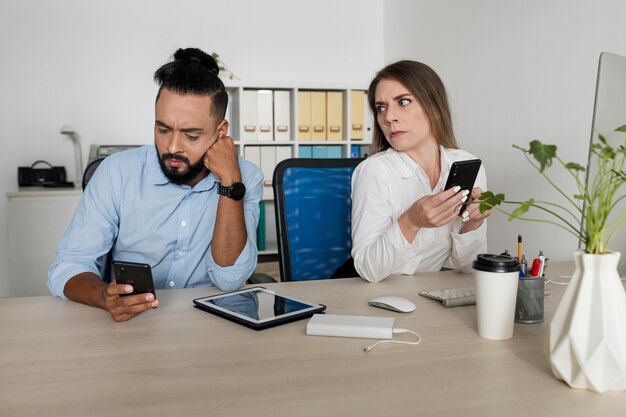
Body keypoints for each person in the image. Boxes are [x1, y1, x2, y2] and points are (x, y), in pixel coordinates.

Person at [48, 47, 263, 321]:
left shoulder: (246, 177)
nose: (172, 147)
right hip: (132, 325)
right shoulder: (117, 173)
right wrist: (102, 295)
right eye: (163, 129)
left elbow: (230, 280)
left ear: (221, 132)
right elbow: (67, 265)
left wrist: (230, 180)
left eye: (191, 135)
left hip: (210, 326)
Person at [351, 60, 490, 283]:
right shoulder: (374, 171)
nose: (388, 117)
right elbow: (368, 270)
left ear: (434, 109)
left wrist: (473, 224)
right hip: (382, 295)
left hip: (432, 292)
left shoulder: (468, 163)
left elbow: (466, 267)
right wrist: (411, 221)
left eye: (403, 102)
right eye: (381, 108)